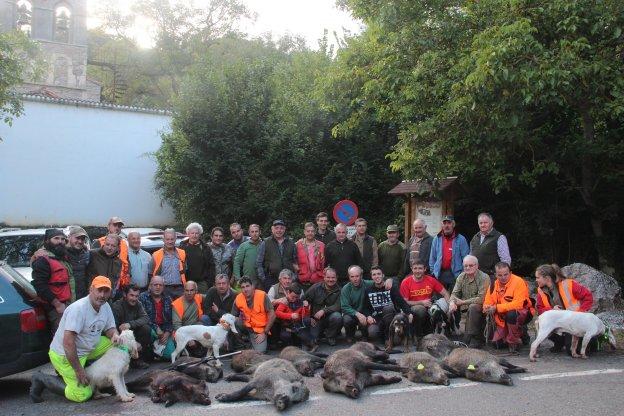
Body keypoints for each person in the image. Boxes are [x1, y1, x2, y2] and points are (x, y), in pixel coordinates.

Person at [29, 276, 119, 403]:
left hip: (87, 348)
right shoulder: (78, 309)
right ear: (91, 289)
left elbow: (110, 328)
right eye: (99, 290)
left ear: (110, 292)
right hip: (64, 354)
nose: (102, 295)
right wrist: (78, 370)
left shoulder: (105, 306)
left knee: (118, 344)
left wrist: (115, 336)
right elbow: (68, 343)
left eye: (106, 291)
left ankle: (98, 374)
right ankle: (41, 378)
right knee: (82, 395)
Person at [535, 263, 593, 353]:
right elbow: (539, 309)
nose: (536, 280)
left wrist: (582, 313)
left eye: (538, 277)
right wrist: (552, 310)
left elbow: (588, 296)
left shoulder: (569, 284)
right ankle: (560, 342)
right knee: (541, 323)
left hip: (574, 323)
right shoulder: (540, 290)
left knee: (573, 351)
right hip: (557, 322)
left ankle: (592, 340)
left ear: (547, 278)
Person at [31, 228, 75, 332]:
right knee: (60, 340)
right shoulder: (43, 260)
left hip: (68, 306)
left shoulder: (63, 257)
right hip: (56, 309)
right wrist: (57, 304)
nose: (60, 241)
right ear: (47, 241)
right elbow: (40, 286)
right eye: (56, 238)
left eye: (63, 239)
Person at [483, 262, 533, 353]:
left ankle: (513, 342)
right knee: (497, 344)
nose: (503, 277)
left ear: (510, 272)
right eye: (500, 275)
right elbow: (487, 302)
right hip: (502, 318)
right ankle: (520, 332)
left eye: (506, 274)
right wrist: (487, 308)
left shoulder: (519, 282)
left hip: (521, 314)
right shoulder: (493, 285)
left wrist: (496, 308)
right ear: (495, 275)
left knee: (512, 314)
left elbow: (518, 304)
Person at [400, 260, 450, 340]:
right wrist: (421, 302)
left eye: (420, 268)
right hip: (413, 309)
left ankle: (442, 329)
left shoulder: (431, 280)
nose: (417, 271)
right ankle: (418, 335)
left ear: (425, 269)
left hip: (430, 307)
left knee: (445, 303)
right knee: (420, 309)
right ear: (411, 269)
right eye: (415, 268)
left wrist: (449, 306)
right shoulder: (405, 282)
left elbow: (445, 293)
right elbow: (404, 302)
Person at [448, 255, 490, 348]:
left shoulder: (484, 277)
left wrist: (462, 302)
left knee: (473, 306)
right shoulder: (461, 277)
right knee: (450, 308)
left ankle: (469, 340)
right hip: (464, 313)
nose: (468, 268)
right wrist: (452, 303)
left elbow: (481, 299)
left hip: (483, 310)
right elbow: (454, 294)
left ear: (477, 266)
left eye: (471, 265)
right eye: (465, 266)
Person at [364, 266, 412, 343]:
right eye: (374, 274)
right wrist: (368, 316)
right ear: (371, 277)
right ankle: (384, 337)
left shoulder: (391, 288)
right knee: (372, 332)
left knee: (388, 308)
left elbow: (402, 302)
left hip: (392, 318)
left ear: (383, 275)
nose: (377, 276)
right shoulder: (368, 290)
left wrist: (409, 313)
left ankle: (388, 338)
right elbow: (365, 307)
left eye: (379, 274)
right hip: (377, 318)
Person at [231, 276, 276, 353]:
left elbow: (272, 315)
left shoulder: (262, 295)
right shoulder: (238, 298)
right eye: (243, 287)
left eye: (247, 286)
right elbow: (233, 316)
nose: (245, 289)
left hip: (259, 330)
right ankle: (241, 346)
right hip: (246, 325)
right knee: (232, 323)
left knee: (260, 351)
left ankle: (250, 343)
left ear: (252, 286)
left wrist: (264, 332)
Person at [111, 284, 151, 368]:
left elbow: (146, 318)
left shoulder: (138, 304)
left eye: (136, 296)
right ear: (125, 294)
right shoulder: (117, 306)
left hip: (132, 332)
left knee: (146, 329)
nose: (134, 299)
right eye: (131, 295)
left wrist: (130, 324)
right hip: (119, 336)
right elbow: (114, 328)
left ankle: (137, 360)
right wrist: (132, 342)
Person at [302, 267, 343, 346]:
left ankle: (330, 336)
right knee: (313, 340)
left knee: (337, 317)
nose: (330, 280)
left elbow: (338, 305)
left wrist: (323, 310)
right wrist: (309, 317)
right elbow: (303, 301)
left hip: (330, 318)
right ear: (324, 277)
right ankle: (319, 334)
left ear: (336, 278)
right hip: (316, 319)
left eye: (333, 277)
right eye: (328, 277)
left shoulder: (340, 290)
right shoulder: (315, 287)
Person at [429, 215, 470, 291]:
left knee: (453, 299)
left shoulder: (461, 239)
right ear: (442, 225)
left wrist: (462, 273)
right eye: (444, 223)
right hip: (440, 274)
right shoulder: (436, 239)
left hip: (455, 274)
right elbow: (432, 257)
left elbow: (466, 258)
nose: (446, 226)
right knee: (440, 301)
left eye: (449, 223)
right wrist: (433, 272)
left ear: (453, 225)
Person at [139, 275, 175, 360]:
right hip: (150, 329)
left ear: (163, 287)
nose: (158, 287)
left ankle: (156, 352)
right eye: (155, 285)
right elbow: (142, 317)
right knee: (146, 330)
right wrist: (156, 328)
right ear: (150, 286)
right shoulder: (142, 297)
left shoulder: (168, 299)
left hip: (164, 330)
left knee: (170, 355)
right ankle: (149, 351)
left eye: (160, 285)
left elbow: (172, 319)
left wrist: (167, 333)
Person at [256, 219, 298, 290]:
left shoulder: (291, 243)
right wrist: (263, 278)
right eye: (276, 228)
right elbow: (258, 262)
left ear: (284, 229)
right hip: (271, 279)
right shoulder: (265, 242)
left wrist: (294, 277)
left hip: (288, 279)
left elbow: (295, 261)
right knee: (271, 300)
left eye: (281, 228)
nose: (279, 230)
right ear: (272, 229)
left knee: (288, 299)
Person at [92, 216, 130, 288]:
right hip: (101, 285)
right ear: (108, 226)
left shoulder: (124, 243)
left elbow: (127, 262)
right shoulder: (99, 242)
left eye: (119, 226)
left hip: (120, 286)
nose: (117, 228)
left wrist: (128, 276)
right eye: (115, 225)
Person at [275, 283, 315, 350]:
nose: (294, 299)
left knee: (304, 330)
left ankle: (309, 344)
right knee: (285, 336)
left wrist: (306, 307)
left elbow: (305, 315)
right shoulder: (285, 302)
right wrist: (290, 315)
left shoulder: (301, 301)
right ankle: (289, 348)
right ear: (288, 293)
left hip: (298, 324)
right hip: (287, 325)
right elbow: (277, 313)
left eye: (296, 297)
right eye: (292, 297)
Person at [469, 213, 511, 277]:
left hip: (492, 276)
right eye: (481, 223)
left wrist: (503, 276)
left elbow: (506, 260)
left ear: (492, 223)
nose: (483, 225)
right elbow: (471, 256)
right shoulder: (475, 237)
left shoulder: (499, 237)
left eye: (485, 222)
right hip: (476, 275)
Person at [341, 265, 375, 343]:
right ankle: (350, 335)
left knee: (364, 321)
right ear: (349, 277)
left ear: (361, 276)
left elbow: (379, 282)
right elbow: (344, 307)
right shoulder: (345, 289)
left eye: (357, 276)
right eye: (352, 276)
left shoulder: (368, 284)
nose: (355, 279)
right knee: (346, 319)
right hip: (352, 314)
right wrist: (357, 314)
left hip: (365, 313)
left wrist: (389, 280)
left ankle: (364, 335)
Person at [179, 222, 215, 293]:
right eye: (192, 233)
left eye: (196, 233)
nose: (194, 235)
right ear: (188, 234)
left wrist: (209, 283)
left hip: (202, 284)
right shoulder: (182, 247)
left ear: (200, 235)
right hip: (186, 283)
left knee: (202, 303)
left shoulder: (205, 248)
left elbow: (211, 266)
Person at [152, 228, 187, 299]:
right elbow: (150, 273)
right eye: (167, 239)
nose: (170, 241)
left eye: (172, 239)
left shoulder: (182, 253)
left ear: (175, 239)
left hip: (180, 289)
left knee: (179, 310)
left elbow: (185, 270)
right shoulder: (155, 255)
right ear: (163, 239)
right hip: (163, 289)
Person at [86, 234, 122, 298]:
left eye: (113, 246)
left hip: (108, 297)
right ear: (104, 243)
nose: (109, 248)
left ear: (118, 247)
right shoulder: (92, 254)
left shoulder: (118, 262)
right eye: (107, 244)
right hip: (93, 296)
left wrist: (113, 293)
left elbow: (116, 280)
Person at [295, 222, 325, 290]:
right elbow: (293, 260)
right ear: (304, 232)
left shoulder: (321, 245)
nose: (310, 233)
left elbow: (325, 261)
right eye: (308, 231)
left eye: (312, 231)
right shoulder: (297, 245)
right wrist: (297, 269)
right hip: (303, 280)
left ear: (315, 232)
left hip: (318, 280)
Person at [65, 226, 91, 299]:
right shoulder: (61, 253)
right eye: (77, 238)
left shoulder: (87, 254)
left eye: (82, 239)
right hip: (66, 298)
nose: (80, 241)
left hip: (82, 296)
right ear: (69, 237)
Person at [233, 224, 262, 288]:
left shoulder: (264, 244)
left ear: (260, 232)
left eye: (256, 231)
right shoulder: (243, 246)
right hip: (248, 281)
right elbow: (237, 262)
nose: (254, 234)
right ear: (249, 233)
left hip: (262, 280)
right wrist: (238, 279)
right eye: (252, 232)